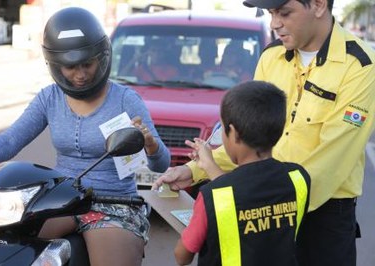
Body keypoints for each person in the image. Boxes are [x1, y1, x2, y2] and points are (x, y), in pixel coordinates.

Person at [154, 1, 375, 265]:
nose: (274, 24)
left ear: (317, 5)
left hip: (320, 218)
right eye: (271, 14)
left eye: (284, 13)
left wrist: (245, 197)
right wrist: (194, 170)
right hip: (263, 208)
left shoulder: (359, 66)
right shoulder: (271, 57)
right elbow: (249, 138)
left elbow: (332, 160)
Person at [0, 7, 171, 266]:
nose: (80, 74)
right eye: (70, 67)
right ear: (55, 65)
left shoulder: (125, 100)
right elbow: (11, 140)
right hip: (59, 201)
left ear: (101, 58)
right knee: (10, 249)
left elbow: (161, 165)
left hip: (114, 204)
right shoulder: (49, 98)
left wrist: (151, 145)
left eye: (87, 64)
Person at [174, 81, 311, 266]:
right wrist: (209, 165)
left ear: (233, 133)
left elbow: (182, 256)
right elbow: (250, 194)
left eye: (222, 128)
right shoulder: (298, 178)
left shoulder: (212, 195)